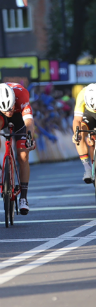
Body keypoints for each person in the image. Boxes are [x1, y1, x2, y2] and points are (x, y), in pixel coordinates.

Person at [0, 83, 36, 215]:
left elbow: (29, 123)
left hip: (19, 120)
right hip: (0, 118)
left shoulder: (22, 94)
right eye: (6, 110)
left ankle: (24, 198)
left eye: (11, 108)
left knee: (23, 156)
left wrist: (29, 138)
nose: (9, 112)